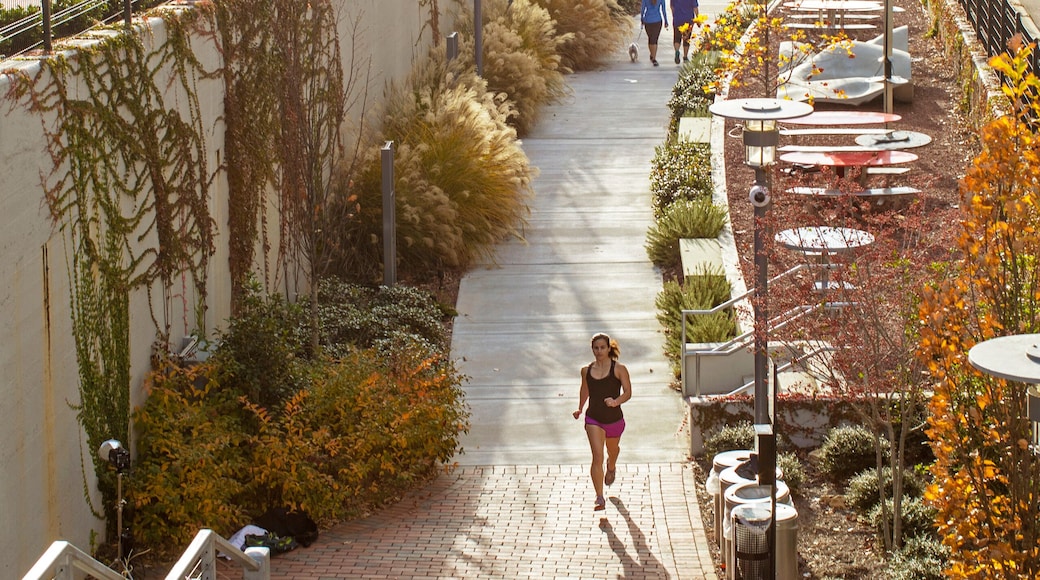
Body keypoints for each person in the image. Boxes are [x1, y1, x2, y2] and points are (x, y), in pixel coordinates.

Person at [572, 333, 633, 511]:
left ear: (608, 348)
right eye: (596, 348)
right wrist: (580, 408)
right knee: (597, 456)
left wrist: (616, 402)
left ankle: (611, 465)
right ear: (592, 349)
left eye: (602, 348)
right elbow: (585, 390)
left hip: (614, 419)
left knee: (612, 450)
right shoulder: (586, 371)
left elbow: (628, 392)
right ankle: (599, 497)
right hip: (594, 419)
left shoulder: (619, 369)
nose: (599, 351)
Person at [640, 0, 668, 67]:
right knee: (654, 39)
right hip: (657, 20)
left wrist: (642, 19)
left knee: (651, 39)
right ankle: (653, 57)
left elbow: (642, 9)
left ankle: (652, 55)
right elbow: (663, 9)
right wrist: (666, 20)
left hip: (648, 20)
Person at [670, 0, 699, 64]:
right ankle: (685, 56)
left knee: (677, 37)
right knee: (687, 38)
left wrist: (674, 15)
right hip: (688, 19)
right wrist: (698, 19)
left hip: (677, 19)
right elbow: (695, 7)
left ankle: (677, 51)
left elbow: (672, 6)